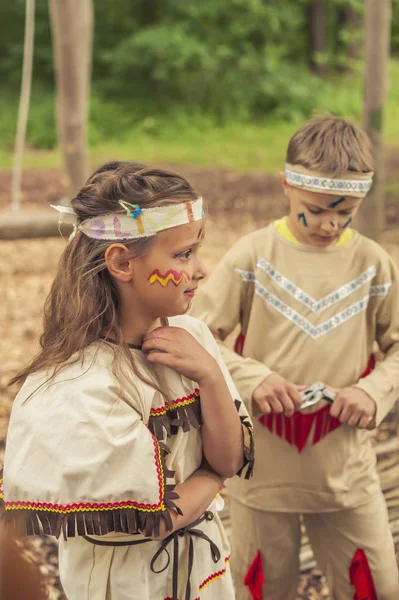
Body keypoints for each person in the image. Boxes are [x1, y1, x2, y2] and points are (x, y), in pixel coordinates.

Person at [0, 162, 254, 600]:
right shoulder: (77, 385)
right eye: (182, 255)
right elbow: (151, 521)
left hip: (205, 576)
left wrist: (211, 378)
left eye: (197, 251)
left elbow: (229, 458)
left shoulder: (190, 338)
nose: (201, 269)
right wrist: (212, 481)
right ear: (120, 262)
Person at [190, 116, 399, 599]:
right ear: (287, 185)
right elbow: (197, 336)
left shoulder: (373, 264)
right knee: (259, 589)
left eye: (345, 212)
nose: (331, 223)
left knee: (378, 589)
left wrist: (373, 390)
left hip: (345, 473)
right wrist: (252, 378)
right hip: (261, 474)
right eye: (317, 209)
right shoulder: (252, 256)